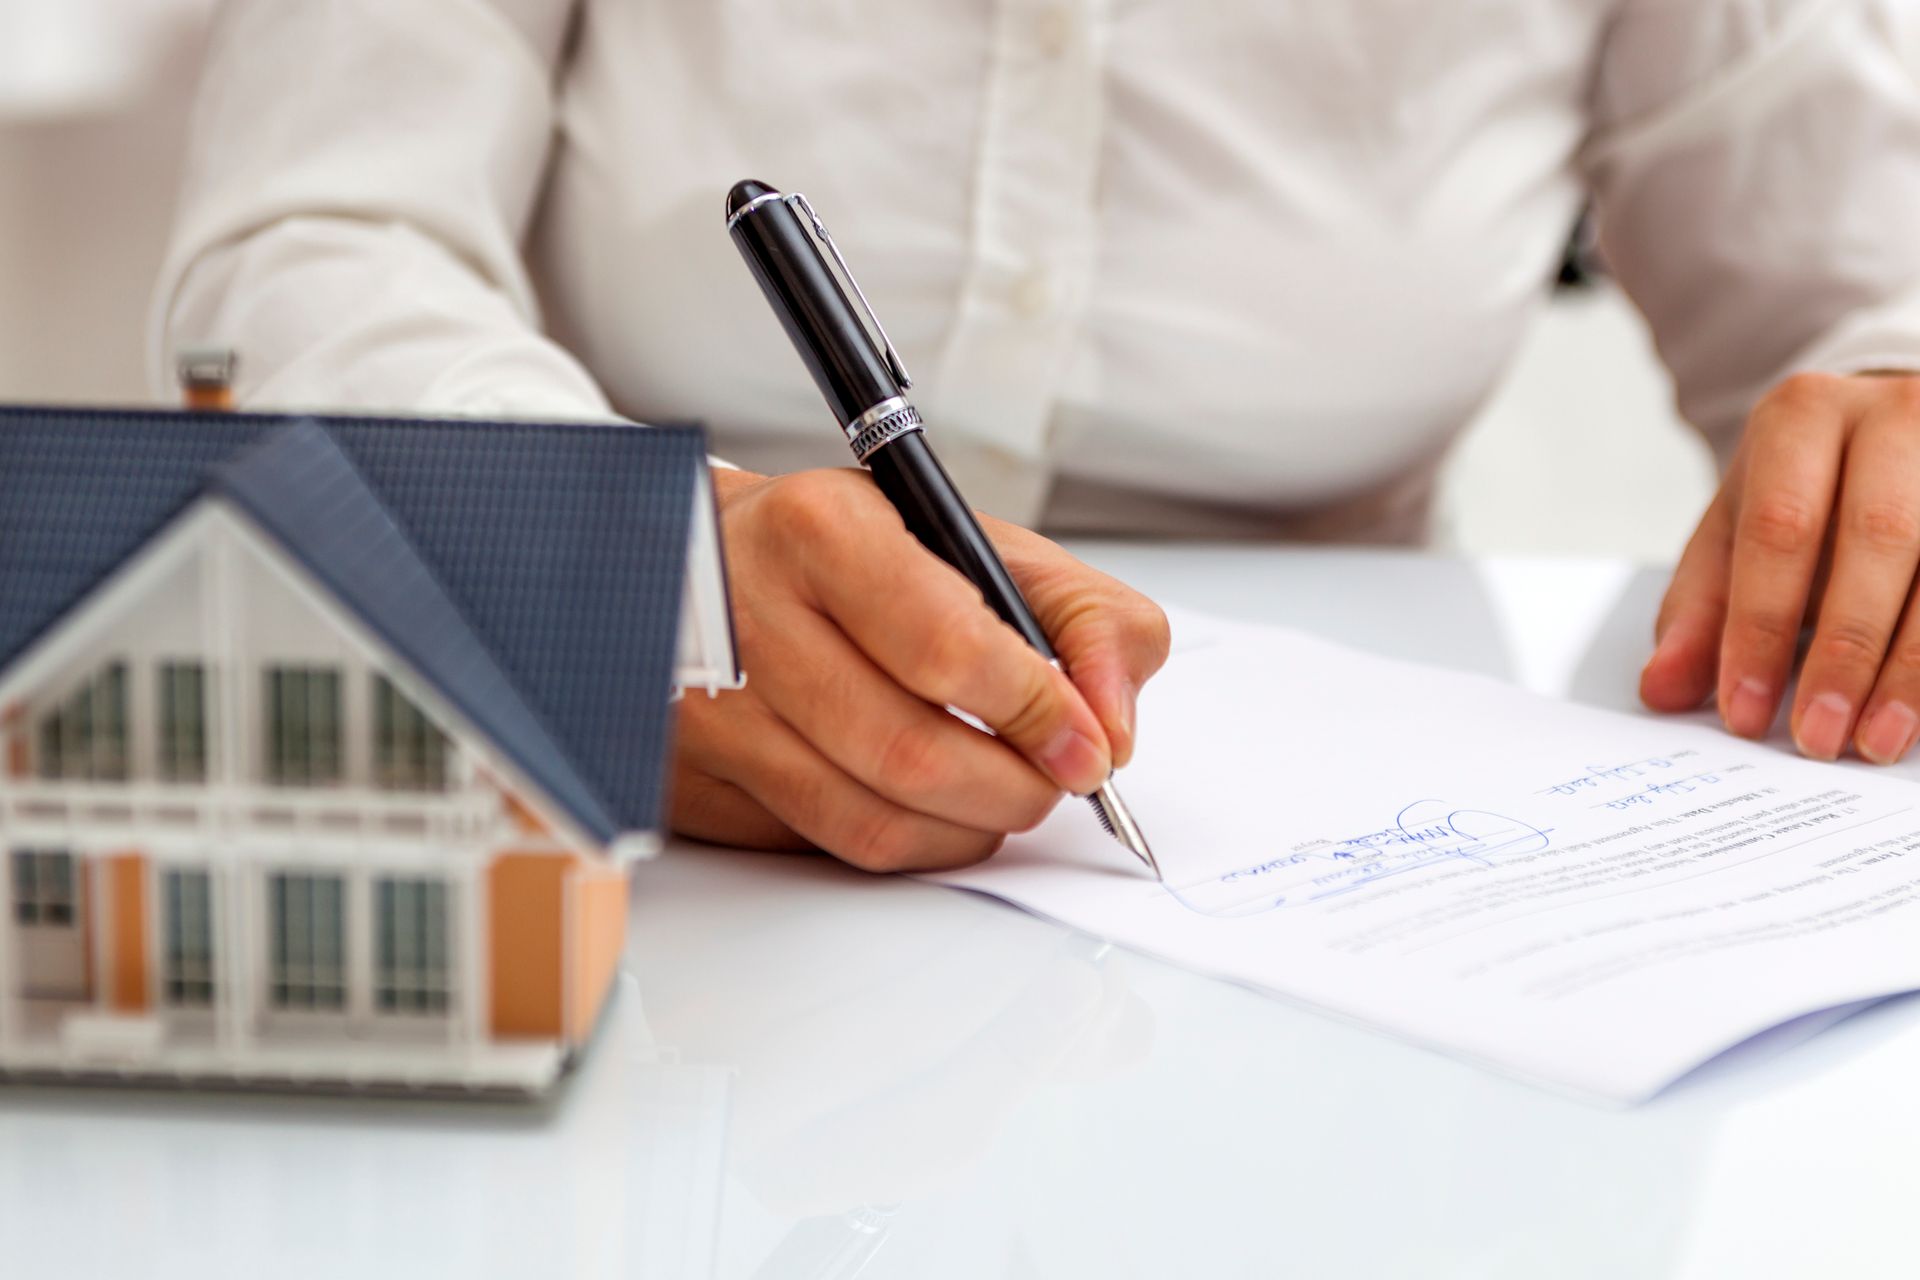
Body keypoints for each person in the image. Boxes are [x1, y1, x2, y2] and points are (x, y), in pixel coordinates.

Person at [154, 1, 1920, 870]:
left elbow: (1868, 289)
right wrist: (626, 565)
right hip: (630, 820)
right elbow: (310, 240)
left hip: (1364, 863)